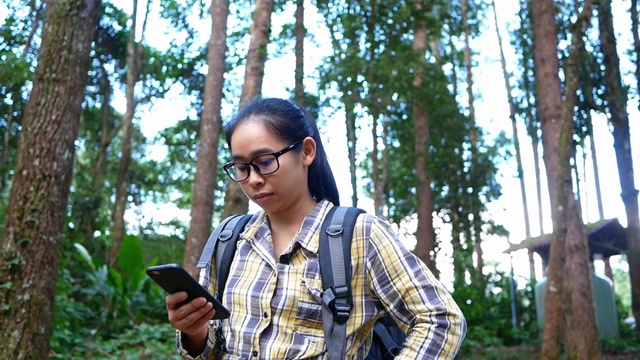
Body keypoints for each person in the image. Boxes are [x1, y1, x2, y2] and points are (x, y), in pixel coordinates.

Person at [165, 97, 467, 359]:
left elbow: (441, 319)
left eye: (265, 161)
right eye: (242, 168)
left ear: (306, 151)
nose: (253, 179)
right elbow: (210, 350)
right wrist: (194, 332)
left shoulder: (361, 236)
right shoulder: (229, 240)